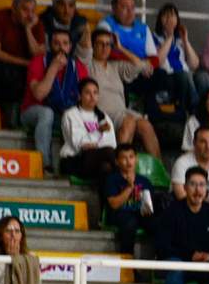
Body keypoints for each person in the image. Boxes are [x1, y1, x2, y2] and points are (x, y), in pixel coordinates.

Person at [77, 28, 159, 160]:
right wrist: (87, 32)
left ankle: (159, 170)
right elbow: (84, 51)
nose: (105, 48)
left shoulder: (115, 66)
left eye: (108, 44)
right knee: (129, 122)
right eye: (100, 44)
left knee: (146, 125)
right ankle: (119, 165)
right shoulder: (87, 65)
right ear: (93, 46)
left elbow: (141, 65)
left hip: (122, 111)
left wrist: (120, 47)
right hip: (102, 113)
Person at [22, 28, 88, 174]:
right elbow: (39, 94)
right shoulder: (39, 62)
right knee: (47, 113)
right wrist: (53, 68)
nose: (61, 48)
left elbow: (86, 100)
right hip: (32, 111)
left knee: (77, 116)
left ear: (70, 46)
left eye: (65, 43)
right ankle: (44, 163)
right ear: (50, 45)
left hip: (62, 112)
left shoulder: (78, 67)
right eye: (56, 43)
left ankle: (73, 166)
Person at [154, 167, 209, 284]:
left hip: (206, 264)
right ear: (184, 187)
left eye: (202, 185)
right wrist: (190, 256)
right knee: (175, 268)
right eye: (193, 184)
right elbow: (162, 247)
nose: (197, 190)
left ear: (207, 188)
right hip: (180, 262)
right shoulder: (171, 211)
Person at [0, 0, 46, 115]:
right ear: (14, 9)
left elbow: (37, 54)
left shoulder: (35, 24)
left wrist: (28, 29)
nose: (30, 15)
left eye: (32, 10)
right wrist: (26, 63)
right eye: (25, 10)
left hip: (21, 68)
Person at [57, 79, 118, 181]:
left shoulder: (104, 117)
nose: (92, 96)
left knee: (106, 168)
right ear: (79, 96)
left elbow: (111, 143)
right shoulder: (70, 115)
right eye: (87, 93)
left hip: (96, 161)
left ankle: (112, 193)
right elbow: (79, 144)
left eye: (95, 92)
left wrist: (93, 145)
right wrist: (98, 132)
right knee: (108, 153)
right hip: (74, 160)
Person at [151, 2, 200, 115]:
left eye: (173, 15)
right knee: (184, 75)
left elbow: (194, 65)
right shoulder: (154, 37)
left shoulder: (180, 38)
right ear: (160, 19)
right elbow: (157, 61)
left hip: (186, 74)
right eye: (166, 15)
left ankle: (198, 107)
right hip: (168, 75)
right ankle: (195, 109)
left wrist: (185, 40)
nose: (169, 19)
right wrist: (169, 37)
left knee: (203, 78)